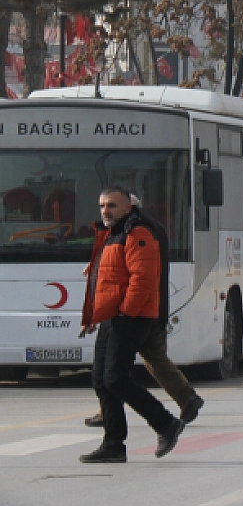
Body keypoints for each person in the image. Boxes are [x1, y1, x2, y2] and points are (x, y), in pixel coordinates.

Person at [78, 187, 185, 463]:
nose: (106, 210)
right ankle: (113, 445)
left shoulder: (137, 233)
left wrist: (127, 313)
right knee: (101, 380)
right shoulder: (111, 234)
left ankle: (165, 423)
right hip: (112, 317)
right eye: (102, 205)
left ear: (128, 207)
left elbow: (143, 280)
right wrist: (92, 317)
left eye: (112, 205)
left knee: (116, 378)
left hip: (131, 318)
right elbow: (103, 281)